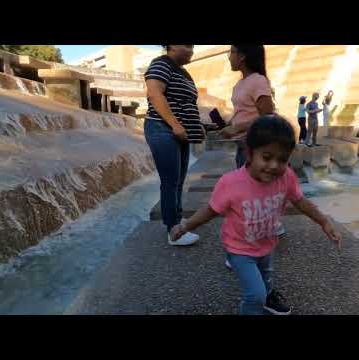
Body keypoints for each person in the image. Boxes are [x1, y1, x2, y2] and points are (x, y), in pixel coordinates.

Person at [170, 115, 343, 315]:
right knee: (255, 295)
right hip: (239, 249)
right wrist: (184, 227)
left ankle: (269, 294)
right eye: (267, 157)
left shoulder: (286, 177)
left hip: (266, 244)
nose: (274, 166)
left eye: (282, 159)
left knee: (266, 277)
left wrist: (324, 222)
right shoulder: (231, 183)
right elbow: (210, 211)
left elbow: (301, 202)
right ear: (250, 153)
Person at [144, 45, 213, 246]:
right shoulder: (161, 64)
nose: (192, 50)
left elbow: (186, 105)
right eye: (188, 45)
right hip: (162, 128)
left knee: (179, 180)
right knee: (170, 181)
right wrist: (175, 125)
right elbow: (155, 94)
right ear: (172, 46)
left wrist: (199, 127)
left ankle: (177, 220)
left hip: (179, 133)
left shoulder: (182, 72)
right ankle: (173, 230)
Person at [220, 45, 275, 169]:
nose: (229, 57)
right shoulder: (239, 84)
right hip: (242, 148)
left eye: (231, 52)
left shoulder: (258, 80)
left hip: (256, 149)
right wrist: (229, 125)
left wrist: (238, 128)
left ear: (242, 56)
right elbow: (245, 113)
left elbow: (268, 118)